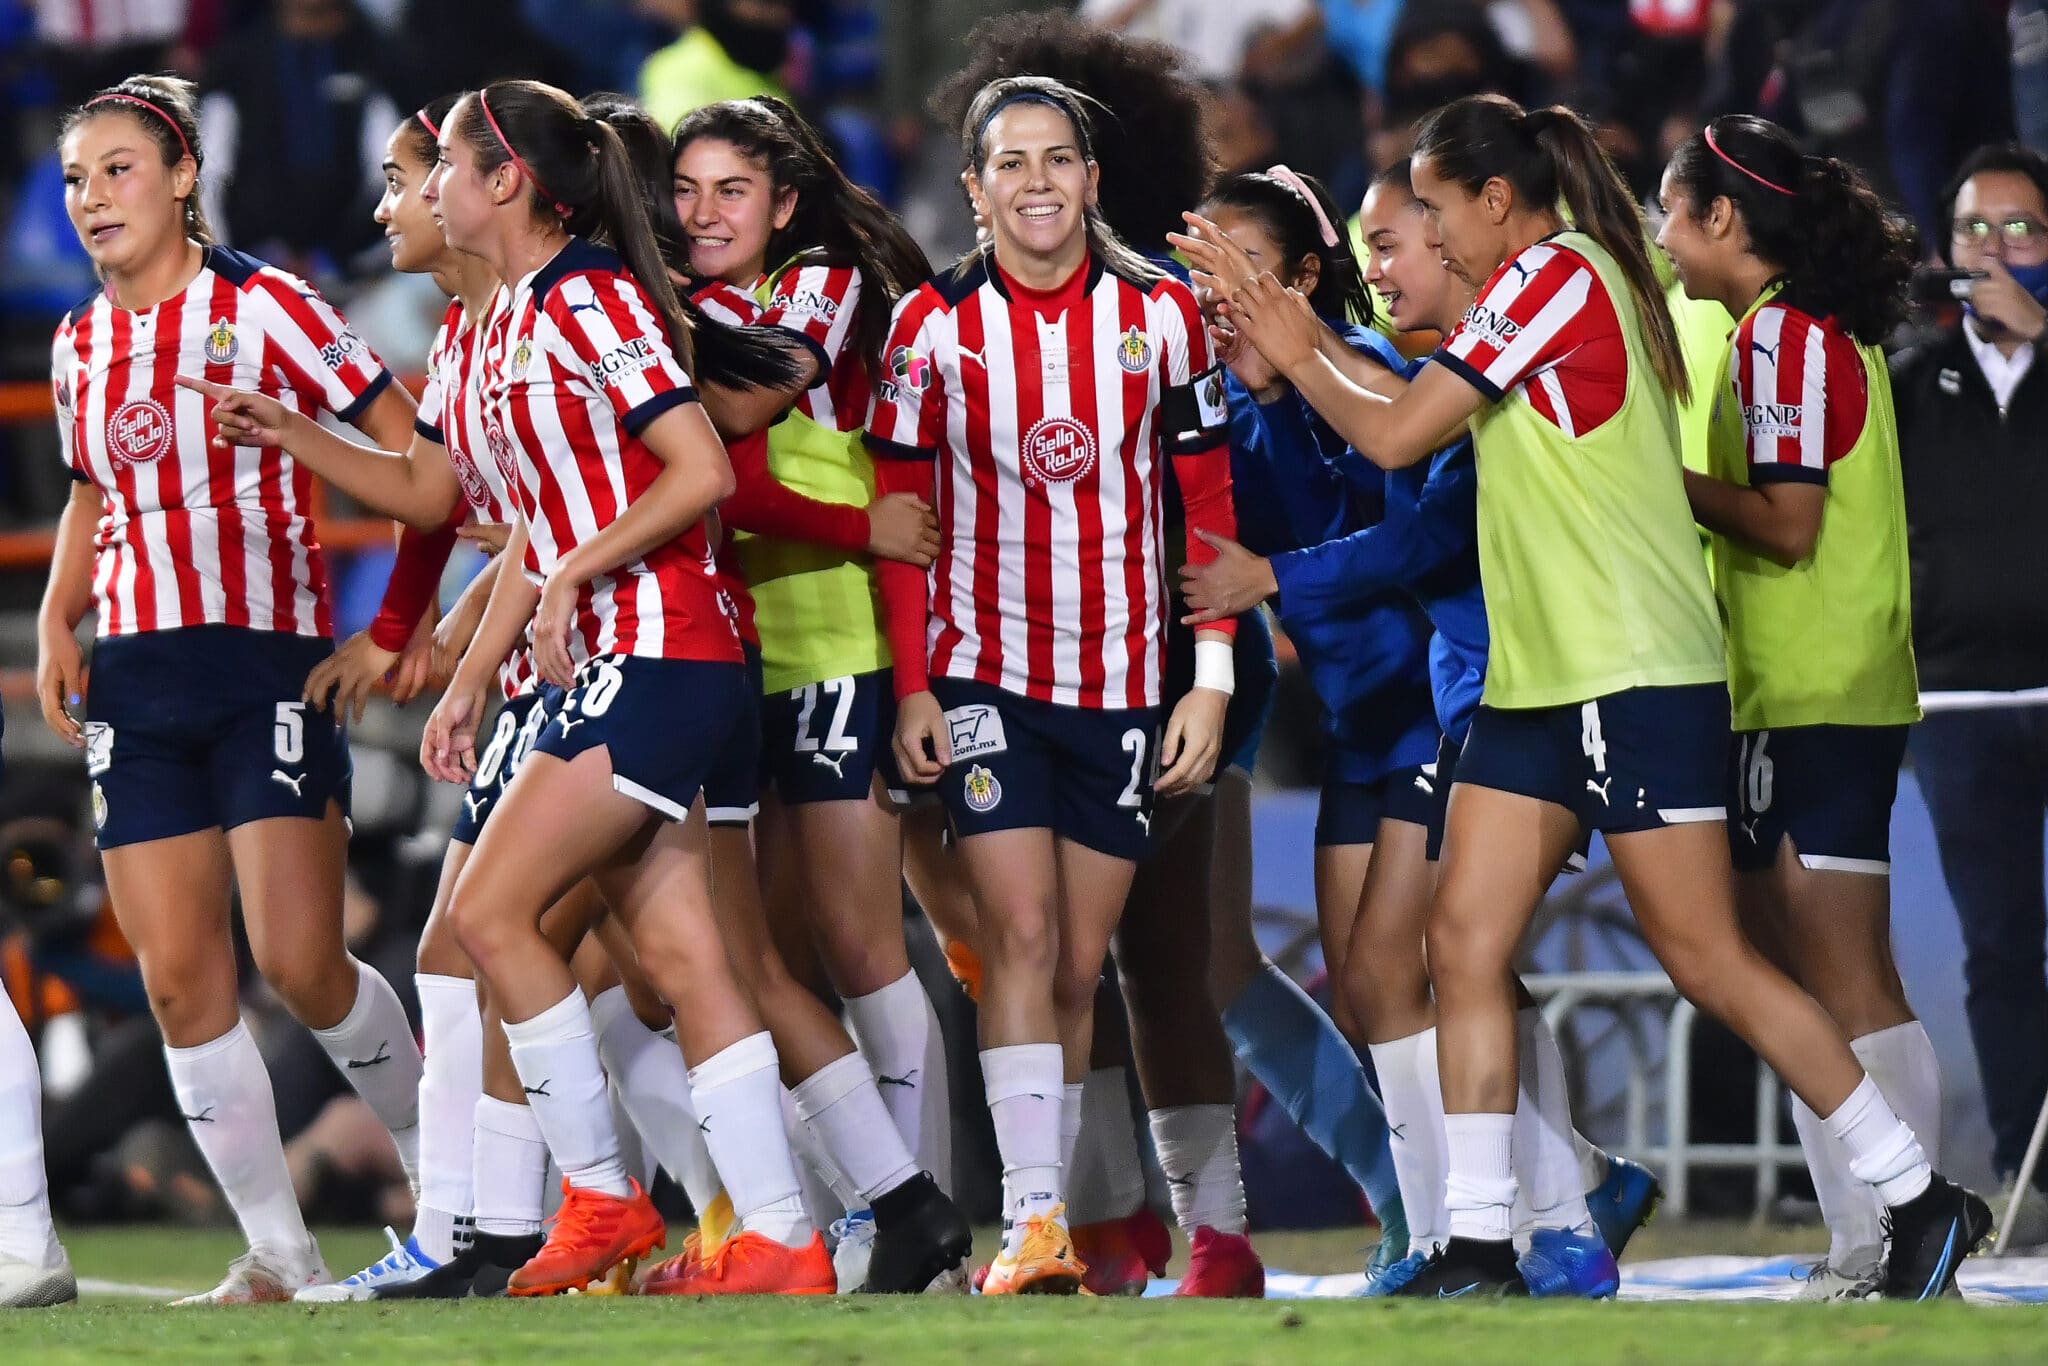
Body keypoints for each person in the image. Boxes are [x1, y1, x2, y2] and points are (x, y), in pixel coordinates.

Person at [1220, 92, 1988, 1300]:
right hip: (1538, 684)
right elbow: (1391, 422)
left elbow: (1394, 437)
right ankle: (1479, 1242)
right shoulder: (1542, 284)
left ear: (1494, 200)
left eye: (1431, 209)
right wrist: (1299, 341)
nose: (1426, 234)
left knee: (1708, 959)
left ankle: (1916, 1194)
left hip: (1631, 676)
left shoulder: (1555, 275)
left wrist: (1291, 330)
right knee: (1459, 943)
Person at [181, 78, 831, 1298]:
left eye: (442, 168)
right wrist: (296, 436)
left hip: (661, 646)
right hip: (610, 656)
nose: (422, 189)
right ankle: (784, 1237)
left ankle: (597, 1197)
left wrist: (571, 573)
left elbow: (696, 469)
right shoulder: (491, 326)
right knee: (684, 957)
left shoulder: (588, 296)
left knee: (486, 917)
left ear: (504, 182)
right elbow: (440, 499)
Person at [1177, 158, 1660, 1299]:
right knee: (1376, 983)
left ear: (1303, 279)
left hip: (1438, 706)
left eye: (1243, 271)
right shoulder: (1233, 407)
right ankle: (1521, 1201)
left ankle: (1526, 1221)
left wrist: (1274, 574)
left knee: (1430, 964)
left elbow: (1413, 540)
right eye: (1204, 279)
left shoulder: (1382, 376)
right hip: (1360, 721)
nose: (1220, 298)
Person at [38, 74, 427, 1305]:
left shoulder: (270, 307)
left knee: (303, 962)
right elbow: (90, 489)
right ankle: (277, 1250)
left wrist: (397, 620)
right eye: (76, 178)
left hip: (265, 661)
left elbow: (416, 456)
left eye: (118, 170)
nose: (93, 198)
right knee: (176, 979)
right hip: (136, 673)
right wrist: (57, 613)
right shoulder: (78, 341)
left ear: (183, 176)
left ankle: (451, 1186)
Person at [867, 74, 1238, 1295]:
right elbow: (900, 521)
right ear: (973, 192)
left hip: (1124, 680)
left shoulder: (1163, 315)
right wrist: (914, 688)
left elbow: (1205, 507)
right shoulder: (928, 328)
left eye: (1057, 159)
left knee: (1077, 962)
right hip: (984, 674)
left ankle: (1061, 1215)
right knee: (1018, 934)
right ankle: (1033, 1223)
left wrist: (1208, 681)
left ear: (1090, 177)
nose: (1037, 182)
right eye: (1010, 163)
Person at [1658, 114, 1935, 1299]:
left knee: (1842, 977)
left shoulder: (1781, 339)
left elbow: (1786, 522)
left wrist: (1652, 481)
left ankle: (1897, 1237)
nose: (1661, 240)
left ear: (1722, 217)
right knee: (1807, 971)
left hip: (1814, 688)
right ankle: (1874, 1239)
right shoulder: (1791, 333)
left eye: (1671, 215)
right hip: (1812, 684)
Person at [667, 96, 958, 1206]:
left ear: (784, 205)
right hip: (740, 651)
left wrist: (854, 529)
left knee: (861, 944)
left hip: (836, 641)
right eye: (685, 191)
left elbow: (737, 440)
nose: (705, 213)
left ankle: (923, 1213)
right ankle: (853, 1208)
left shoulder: (821, 281)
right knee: (763, 958)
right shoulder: (688, 308)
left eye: (732, 191)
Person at [1893, 142, 2048, 1249]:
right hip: (1956, 704)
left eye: (2019, 227)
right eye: (1972, 230)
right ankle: (2026, 1166)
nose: (1992, 248)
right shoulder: (1908, 383)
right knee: (1997, 945)